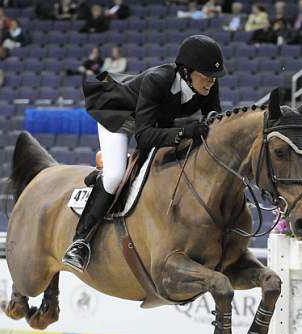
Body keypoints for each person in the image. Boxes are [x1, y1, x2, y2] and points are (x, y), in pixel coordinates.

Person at [62, 34, 225, 272]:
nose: (211, 81)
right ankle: (80, 242)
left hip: (156, 120)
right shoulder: (157, 80)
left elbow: (213, 116)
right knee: (115, 175)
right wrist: (184, 131)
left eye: (214, 76)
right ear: (188, 71)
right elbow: (144, 136)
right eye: (207, 75)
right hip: (120, 116)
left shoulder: (207, 84)